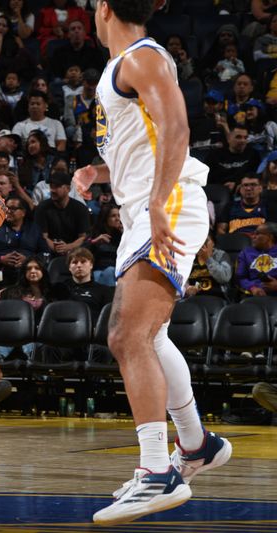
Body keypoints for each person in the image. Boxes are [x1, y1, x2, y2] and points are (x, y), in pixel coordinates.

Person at [73, 1, 232, 524]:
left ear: (103, 9)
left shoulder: (142, 57)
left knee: (126, 336)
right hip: (146, 204)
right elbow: (142, 139)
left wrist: (159, 203)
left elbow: (177, 131)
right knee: (151, 336)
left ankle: (156, 474)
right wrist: (99, 172)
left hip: (167, 204)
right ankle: (194, 446)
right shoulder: (124, 67)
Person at [235, 222, 277, 296]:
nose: (253, 237)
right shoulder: (246, 253)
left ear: (270, 237)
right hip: (253, 296)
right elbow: (240, 278)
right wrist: (252, 288)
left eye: (257, 234)